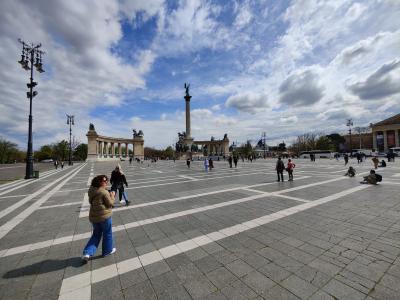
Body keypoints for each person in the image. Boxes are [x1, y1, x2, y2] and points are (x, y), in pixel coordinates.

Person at [82, 175, 116, 261]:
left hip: (94, 218)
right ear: (99, 182)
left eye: (106, 181)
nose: (106, 182)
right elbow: (110, 204)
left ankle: (87, 253)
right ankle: (107, 251)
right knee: (107, 234)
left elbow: (90, 201)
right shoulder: (104, 192)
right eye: (104, 181)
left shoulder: (91, 190)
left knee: (96, 235)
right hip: (105, 217)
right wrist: (112, 195)